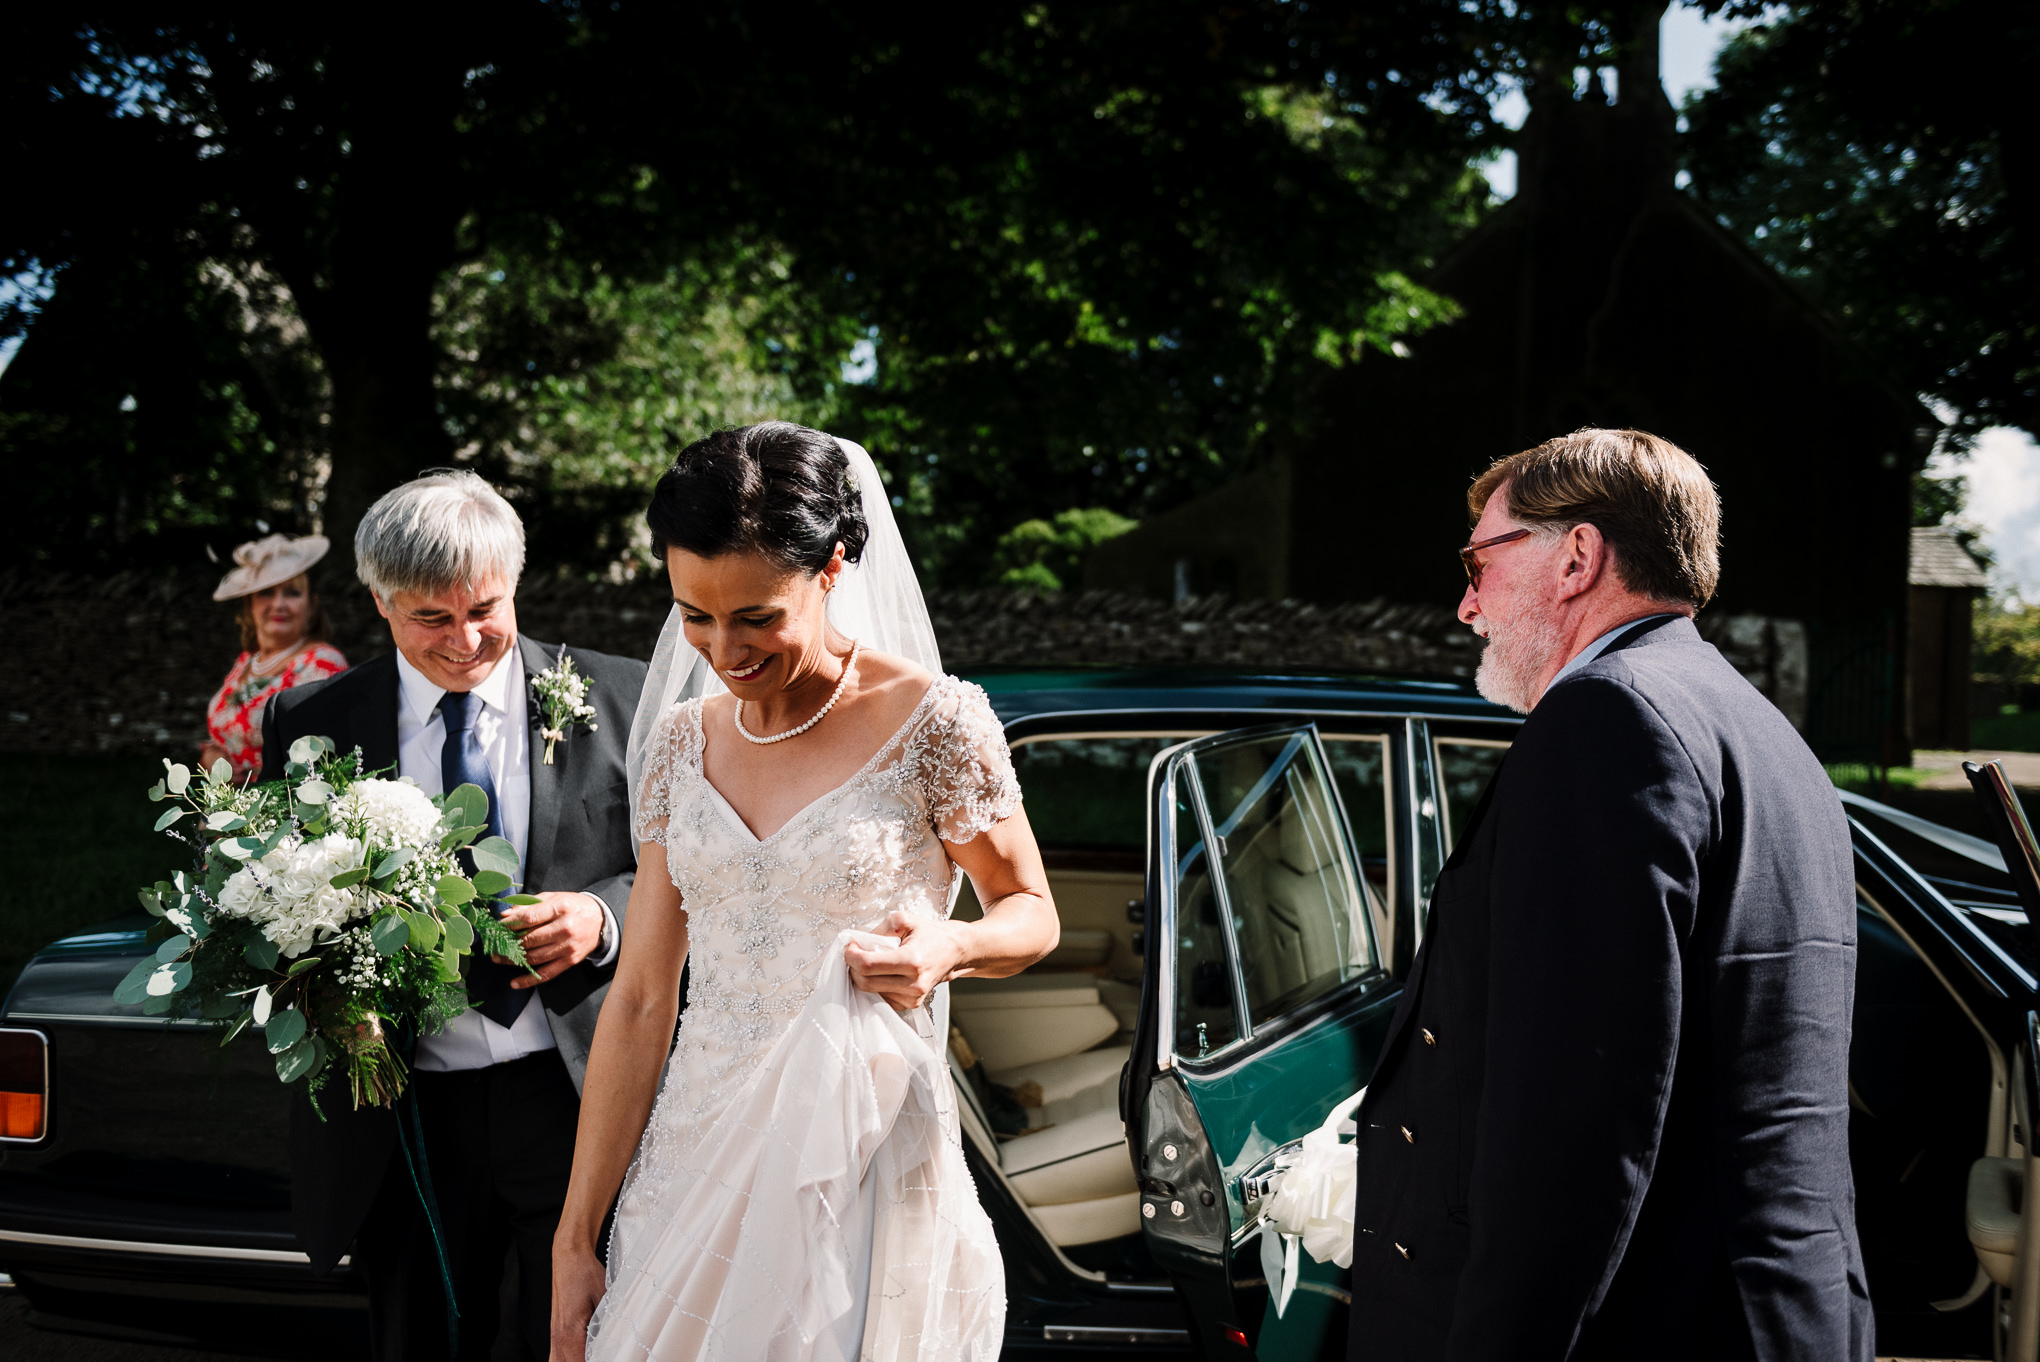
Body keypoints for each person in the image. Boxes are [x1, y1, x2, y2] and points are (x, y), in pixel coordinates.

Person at [1346, 429, 1870, 1361]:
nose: (1468, 606)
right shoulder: (1751, 720)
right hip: (1776, 1307)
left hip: (1649, 1320)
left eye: (1480, 562)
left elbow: (1576, 1117)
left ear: (1578, 557)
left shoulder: (1608, 718)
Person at [549, 422, 1059, 1362]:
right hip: (692, 1160)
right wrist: (576, 1236)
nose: (721, 649)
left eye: (755, 616)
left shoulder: (937, 723)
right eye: (694, 615)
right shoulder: (677, 743)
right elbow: (643, 998)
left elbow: (1032, 912)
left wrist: (948, 948)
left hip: (854, 1157)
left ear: (831, 568)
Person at [258, 471, 651, 1362]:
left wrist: (603, 915)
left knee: (582, 1334)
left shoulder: (625, 698)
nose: (465, 641)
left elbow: (697, 877)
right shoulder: (311, 721)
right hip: (402, 1107)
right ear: (378, 602)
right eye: (430, 618)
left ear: (516, 582)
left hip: (576, 1090)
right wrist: (326, 996)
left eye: (485, 608)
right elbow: (279, 905)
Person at [201, 534, 347, 780]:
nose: (278, 604)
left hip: (279, 810)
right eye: (266, 592)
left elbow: (319, 760)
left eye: (292, 593)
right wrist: (210, 758)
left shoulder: (322, 664)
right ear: (250, 604)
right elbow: (223, 738)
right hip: (222, 808)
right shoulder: (247, 662)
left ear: (312, 604)